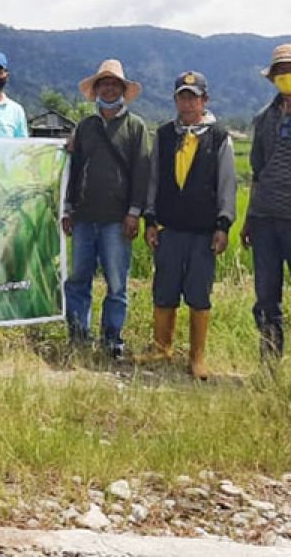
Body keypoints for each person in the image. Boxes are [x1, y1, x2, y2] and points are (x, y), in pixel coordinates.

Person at [142, 71, 236, 380]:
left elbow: (227, 184)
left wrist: (223, 225)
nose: (187, 102)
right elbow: (153, 179)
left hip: (203, 232)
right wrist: (151, 220)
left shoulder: (219, 136)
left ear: (204, 100)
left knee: (199, 293)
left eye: (193, 97)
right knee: (164, 289)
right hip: (170, 229)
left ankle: (197, 357)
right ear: (175, 100)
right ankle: (162, 347)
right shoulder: (166, 134)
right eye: (182, 96)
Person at [63, 60, 149, 357]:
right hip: (85, 217)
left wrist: (134, 212)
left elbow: (142, 173)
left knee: (116, 284)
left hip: (117, 220)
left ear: (123, 90)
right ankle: (78, 337)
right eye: (104, 84)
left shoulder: (135, 127)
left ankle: (112, 340)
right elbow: (74, 171)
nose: (109, 89)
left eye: (115, 84)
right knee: (78, 281)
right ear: (96, 89)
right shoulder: (85, 127)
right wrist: (68, 208)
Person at [242, 43, 291, 362]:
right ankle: (270, 367)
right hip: (264, 220)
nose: (285, 76)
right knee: (267, 297)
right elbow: (256, 173)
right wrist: (248, 219)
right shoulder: (264, 118)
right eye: (280, 72)